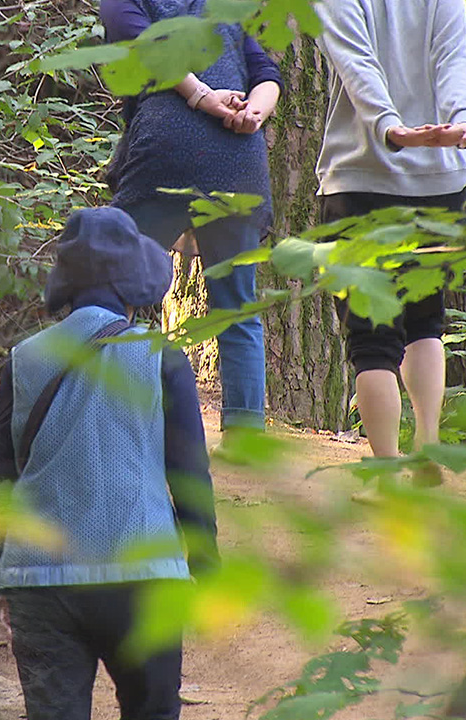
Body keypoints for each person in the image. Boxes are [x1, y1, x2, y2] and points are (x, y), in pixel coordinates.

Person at [0, 207, 218, 720]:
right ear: (135, 283)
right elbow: (190, 476)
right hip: (142, 580)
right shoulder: (162, 359)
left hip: (39, 583)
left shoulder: (21, 361)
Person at [315, 0, 466, 482]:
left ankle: (387, 472)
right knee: (425, 319)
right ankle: (428, 451)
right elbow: (455, 59)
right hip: (441, 181)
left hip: (361, 178)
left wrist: (393, 129)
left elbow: (355, 62)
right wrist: (462, 123)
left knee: (371, 340)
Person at [103, 0, 284, 435]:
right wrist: (253, 111)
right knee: (237, 306)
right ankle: (245, 436)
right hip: (237, 163)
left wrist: (209, 100)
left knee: (110, 286)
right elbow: (267, 75)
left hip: (166, 153)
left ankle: (96, 407)